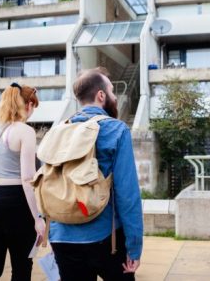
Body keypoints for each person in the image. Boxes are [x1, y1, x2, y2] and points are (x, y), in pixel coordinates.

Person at [49, 67, 143, 281]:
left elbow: (48, 182)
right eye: (111, 91)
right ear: (101, 95)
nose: (114, 96)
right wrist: (134, 247)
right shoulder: (117, 130)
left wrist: (49, 230)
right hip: (105, 239)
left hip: (63, 237)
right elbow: (127, 195)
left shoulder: (59, 130)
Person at [0, 82, 45, 281]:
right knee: (21, 267)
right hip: (16, 202)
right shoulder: (25, 131)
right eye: (33, 108)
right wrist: (38, 219)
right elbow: (28, 179)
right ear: (28, 105)